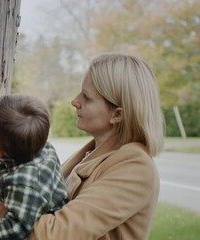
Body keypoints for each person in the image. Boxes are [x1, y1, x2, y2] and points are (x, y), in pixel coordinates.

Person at [27, 52, 164, 240]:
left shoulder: (135, 168)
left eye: (86, 97)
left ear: (117, 115)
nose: (75, 102)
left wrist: (6, 214)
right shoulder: (90, 153)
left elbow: (53, 234)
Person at [0, 94, 68, 240]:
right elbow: (5, 141)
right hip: (30, 210)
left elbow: (13, 231)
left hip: (40, 232)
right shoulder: (38, 146)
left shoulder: (25, 183)